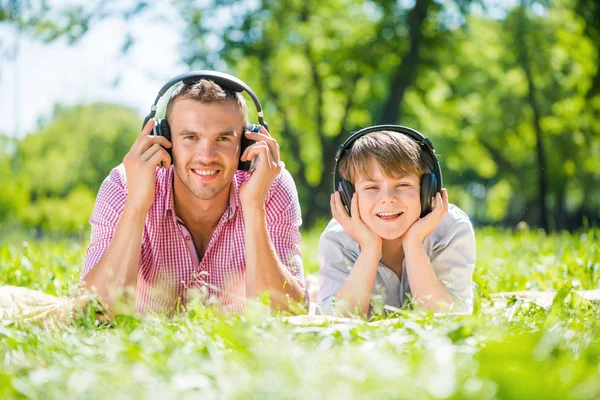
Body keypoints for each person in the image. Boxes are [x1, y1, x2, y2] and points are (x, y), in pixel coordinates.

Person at [77, 71, 307, 316]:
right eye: (190, 137)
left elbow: (288, 316)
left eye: (223, 138)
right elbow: (93, 312)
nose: (206, 156)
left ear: (247, 144)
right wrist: (136, 205)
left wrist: (254, 207)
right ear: (164, 140)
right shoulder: (124, 184)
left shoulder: (269, 184)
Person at [317, 125, 475, 317]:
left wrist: (414, 244)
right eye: (371, 187)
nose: (388, 198)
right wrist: (369, 248)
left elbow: (446, 318)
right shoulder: (338, 238)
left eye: (402, 184)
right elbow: (339, 322)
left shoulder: (451, 229)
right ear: (349, 196)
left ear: (427, 190)